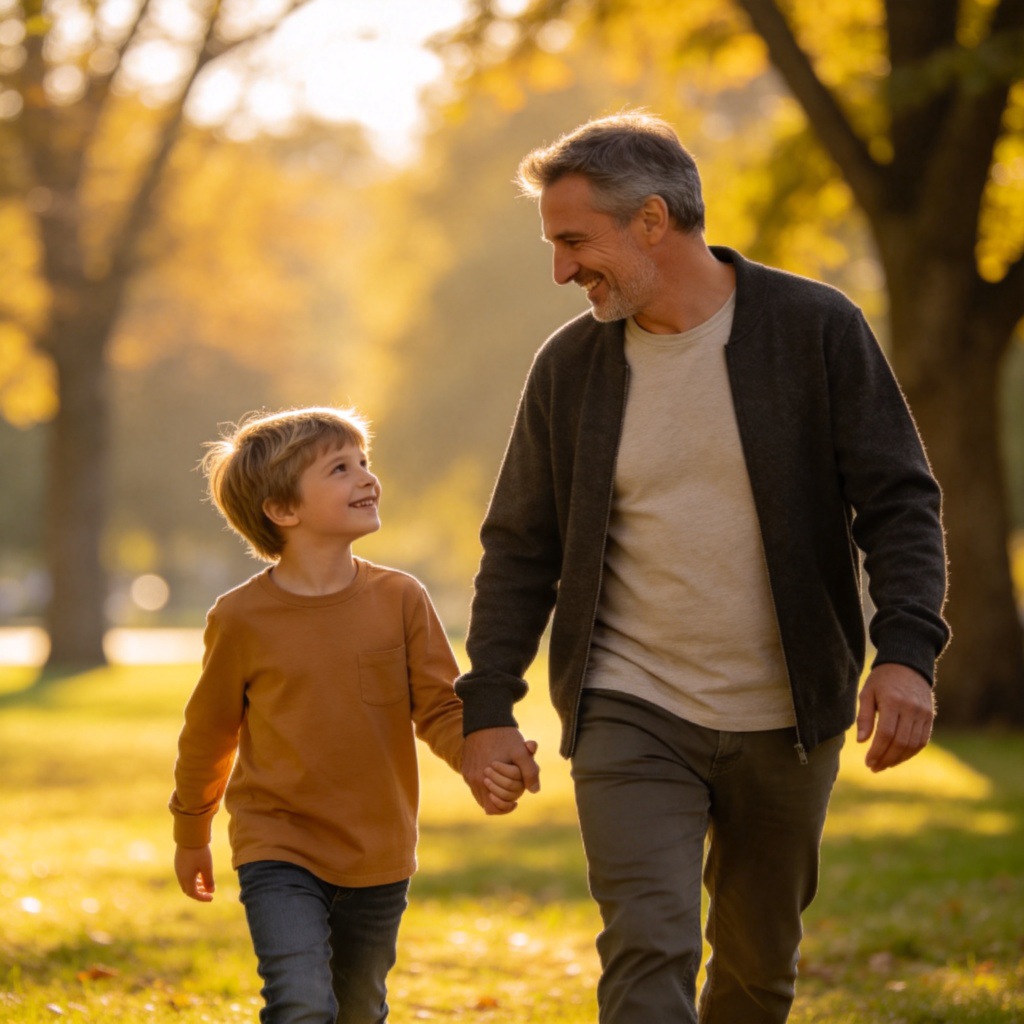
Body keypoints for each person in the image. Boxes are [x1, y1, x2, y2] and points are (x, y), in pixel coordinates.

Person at [456, 113, 950, 1024]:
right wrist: (486, 708)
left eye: (573, 241)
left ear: (651, 220)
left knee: (759, 967)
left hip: (788, 712)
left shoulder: (814, 329)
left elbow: (898, 501)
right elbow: (521, 546)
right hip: (630, 706)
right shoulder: (570, 368)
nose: (561, 271)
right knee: (649, 941)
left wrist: (907, 651)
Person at [169, 406, 529, 1024]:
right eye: (340, 468)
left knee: (359, 1008)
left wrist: (481, 756)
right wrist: (191, 833)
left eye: (364, 462)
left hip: (378, 850)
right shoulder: (239, 619)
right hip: (277, 844)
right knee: (300, 1001)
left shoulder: (400, 598)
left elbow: (440, 707)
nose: (366, 477)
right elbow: (209, 735)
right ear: (283, 511)